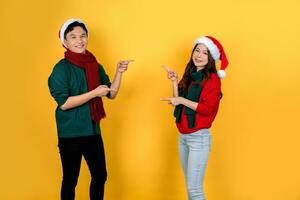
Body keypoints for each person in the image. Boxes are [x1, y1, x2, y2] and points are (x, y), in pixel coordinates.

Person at [48, 18, 133, 200]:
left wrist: (119, 72)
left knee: (100, 175)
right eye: (73, 37)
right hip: (70, 134)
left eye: (83, 36)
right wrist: (94, 93)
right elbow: (64, 103)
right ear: (65, 42)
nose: (80, 40)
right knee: (71, 180)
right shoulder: (61, 69)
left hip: (92, 131)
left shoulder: (94, 66)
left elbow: (111, 93)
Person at [161, 36, 229, 200]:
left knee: (195, 190)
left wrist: (182, 100)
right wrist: (175, 81)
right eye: (197, 50)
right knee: (191, 188)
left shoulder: (212, 79)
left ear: (210, 58)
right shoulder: (191, 75)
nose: (199, 55)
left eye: (205, 53)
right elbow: (178, 103)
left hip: (198, 138)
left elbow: (207, 109)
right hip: (183, 137)